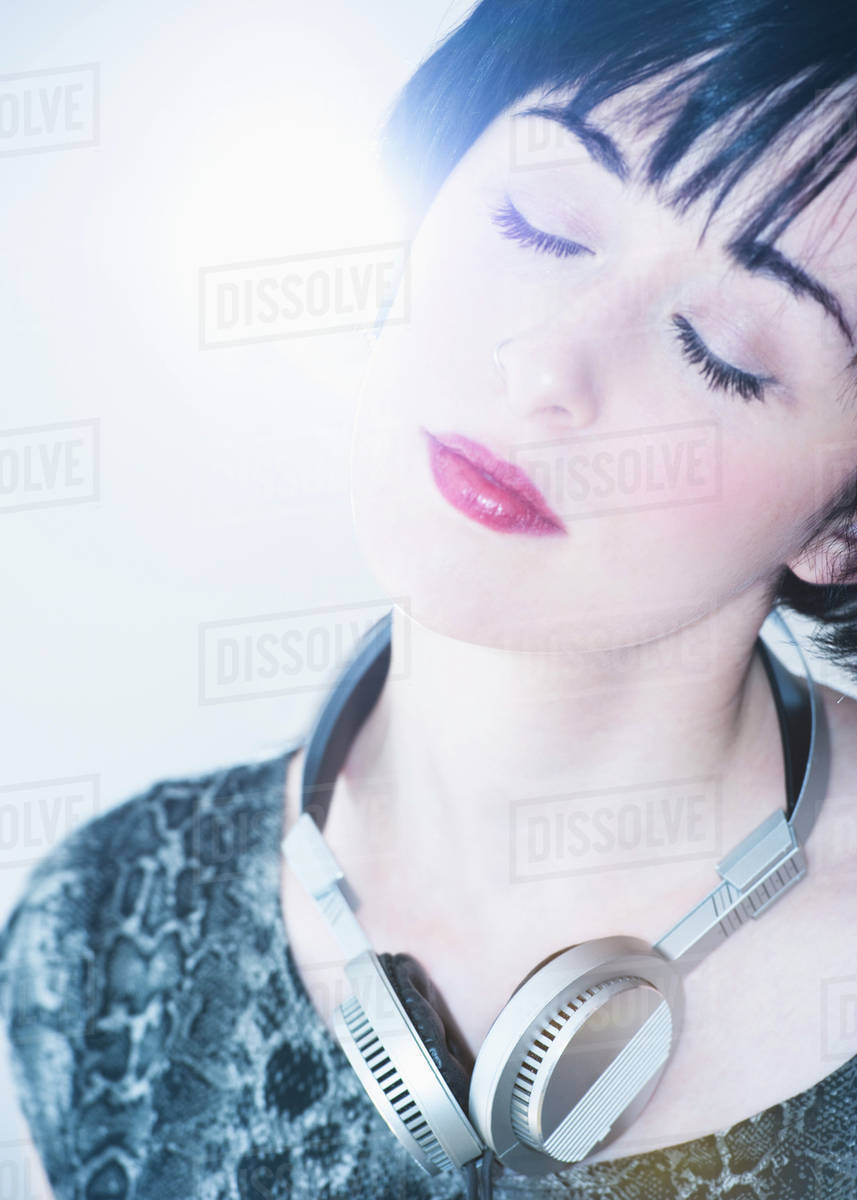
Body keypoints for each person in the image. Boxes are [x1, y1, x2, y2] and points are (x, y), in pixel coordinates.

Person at [3, 0, 857, 1196]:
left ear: (840, 526)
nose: (547, 365)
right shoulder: (100, 937)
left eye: (724, 349)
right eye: (540, 222)